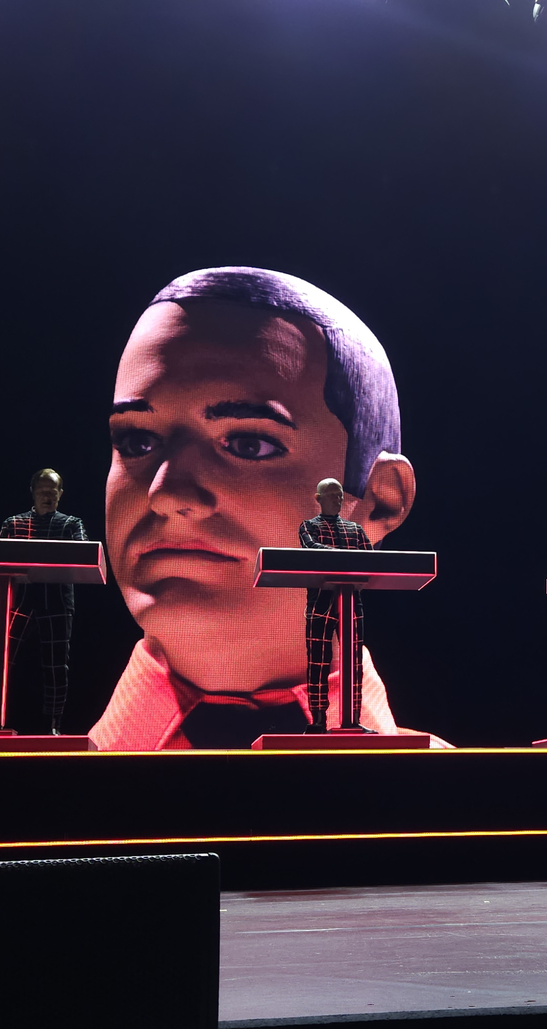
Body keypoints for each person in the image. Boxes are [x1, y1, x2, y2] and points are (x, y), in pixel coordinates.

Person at [89, 267, 442, 749]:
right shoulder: (8, 792)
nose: (167, 494)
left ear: (381, 501)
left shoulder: (475, 792)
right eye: (137, 442)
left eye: (249, 444)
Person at [0, 468, 87, 735]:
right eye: (43, 491)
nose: (48, 496)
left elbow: (83, 554)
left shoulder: (72, 524)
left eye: (52, 492)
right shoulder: (13, 524)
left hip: (57, 602)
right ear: (33, 492)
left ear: (61, 494)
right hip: (17, 600)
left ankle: (54, 725)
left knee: (56, 665)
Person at [299, 477, 375, 733]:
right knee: (318, 661)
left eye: (340, 495)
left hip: (351, 601)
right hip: (320, 601)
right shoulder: (309, 527)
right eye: (332, 495)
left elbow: (372, 559)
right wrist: (346, 557)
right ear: (318, 499)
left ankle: (352, 719)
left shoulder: (355, 530)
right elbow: (311, 548)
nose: (338, 499)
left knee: (354, 662)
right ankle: (318, 720)